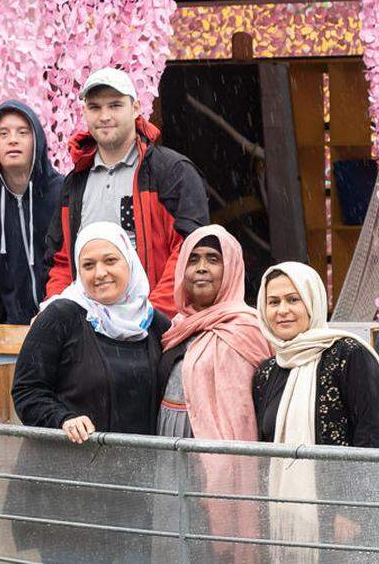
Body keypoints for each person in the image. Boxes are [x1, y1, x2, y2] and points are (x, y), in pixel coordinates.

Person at [7, 222, 168, 562]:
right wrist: (62, 418)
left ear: (130, 262)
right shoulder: (62, 316)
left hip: (132, 495)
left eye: (111, 260)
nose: (100, 273)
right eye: (88, 265)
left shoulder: (153, 324)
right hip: (68, 493)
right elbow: (27, 390)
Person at [251, 262, 379, 562]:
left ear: (313, 301)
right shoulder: (267, 372)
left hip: (346, 520)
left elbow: (370, 438)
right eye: (273, 302)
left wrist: (352, 511)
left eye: (294, 300)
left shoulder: (348, 355)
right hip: (291, 518)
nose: (282, 311)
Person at [45, 68, 208, 316]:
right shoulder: (75, 183)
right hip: (91, 330)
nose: (104, 116)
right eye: (95, 107)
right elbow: (62, 261)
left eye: (115, 105)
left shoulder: (172, 171)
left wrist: (154, 317)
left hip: (160, 326)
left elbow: (191, 251)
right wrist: (56, 314)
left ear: (136, 108)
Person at [159, 225, 273, 562]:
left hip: (222, 457)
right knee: (181, 535)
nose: (202, 268)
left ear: (233, 268)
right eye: (193, 259)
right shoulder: (175, 327)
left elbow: (245, 411)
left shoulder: (248, 327)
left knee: (215, 541)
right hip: (170, 446)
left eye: (213, 259)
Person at [0, 101, 64, 325]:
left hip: (67, 331)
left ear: (37, 140)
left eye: (23, 132)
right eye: (3, 133)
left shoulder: (65, 195)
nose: (13, 139)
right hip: (9, 339)